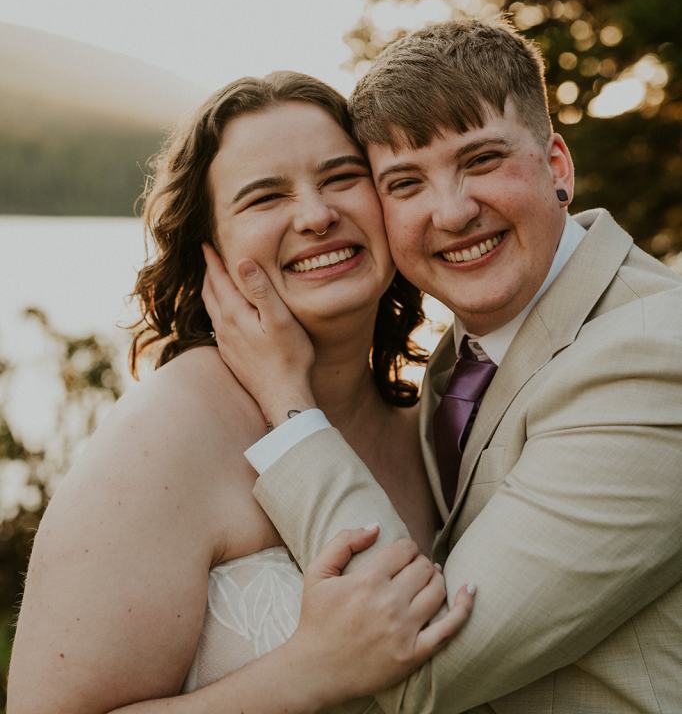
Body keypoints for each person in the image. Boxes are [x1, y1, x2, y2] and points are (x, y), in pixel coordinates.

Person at [202, 18, 682, 714]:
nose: (452, 213)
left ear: (557, 167)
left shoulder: (652, 357)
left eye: (482, 161)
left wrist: (285, 396)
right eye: (405, 183)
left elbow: (420, 660)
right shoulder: (462, 356)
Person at [8, 72, 475, 714]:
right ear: (212, 253)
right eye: (264, 198)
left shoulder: (428, 420)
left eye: (342, 177)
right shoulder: (168, 433)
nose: (316, 216)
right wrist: (307, 671)